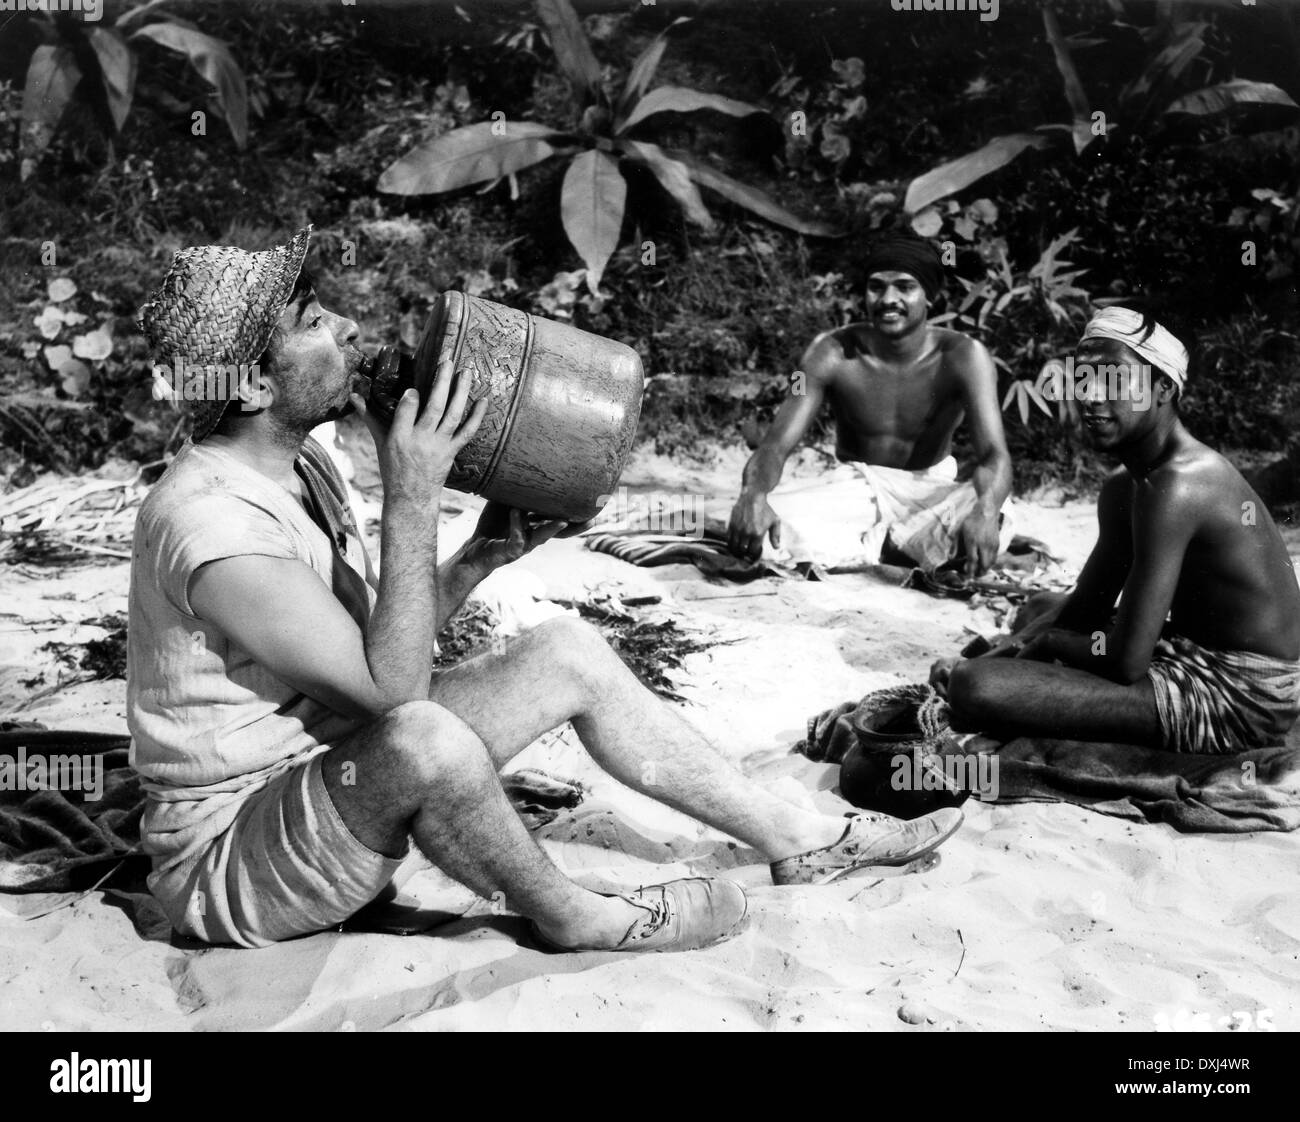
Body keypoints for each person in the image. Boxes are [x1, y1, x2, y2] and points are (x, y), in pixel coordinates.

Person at [128, 226, 963, 952]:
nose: (344, 322)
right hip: (233, 862)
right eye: (310, 321)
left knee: (564, 650)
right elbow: (392, 694)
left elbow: (367, 652)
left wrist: (476, 559)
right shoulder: (215, 526)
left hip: (329, 776)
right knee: (424, 737)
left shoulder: (303, 462)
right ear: (248, 387)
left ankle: (797, 835)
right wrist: (414, 494)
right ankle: (575, 917)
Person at [933, 307, 1300, 754]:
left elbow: (1127, 662)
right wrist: (1008, 648)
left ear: (1164, 387)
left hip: (1244, 695)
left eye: (1113, 379)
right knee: (1039, 608)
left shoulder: (1180, 484)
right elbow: (1087, 605)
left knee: (976, 686)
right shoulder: (1126, 486)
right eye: (1083, 379)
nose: (1090, 395)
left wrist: (1040, 645)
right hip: (1192, 650)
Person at [728, 233, 1013, 575]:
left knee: (998, 514)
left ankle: (879, 546)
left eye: (905, 287)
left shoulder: (965, 356)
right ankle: (900, 547)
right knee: (768, 531)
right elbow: (774, 445)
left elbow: (994, 455)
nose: (888, 299)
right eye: (876, 287)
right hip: (854, 489)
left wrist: (983, 512)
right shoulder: (829, 352)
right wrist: (753, 494)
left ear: (930, 298)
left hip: (931, 488)